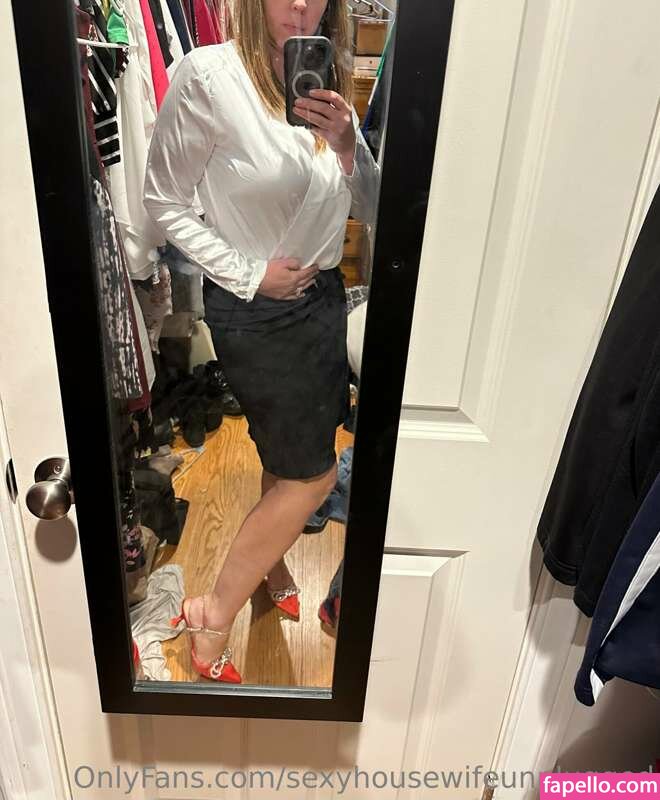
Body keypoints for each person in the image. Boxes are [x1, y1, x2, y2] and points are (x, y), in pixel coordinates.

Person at [143, 0, 379, 682]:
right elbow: (162, 201)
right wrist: (251, 275)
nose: (301, 5)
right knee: (315, 474)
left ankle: (268, 562)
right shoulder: (208, 76)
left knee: (287, 449)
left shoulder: (328, 81)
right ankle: (212, 610)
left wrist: (346, 143)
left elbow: (371, 204)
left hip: (324, 302)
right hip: (255, 311)